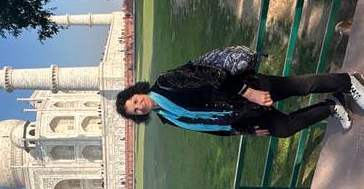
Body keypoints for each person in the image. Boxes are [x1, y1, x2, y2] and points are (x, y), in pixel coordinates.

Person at [116, 47, 364, 137]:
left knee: (299, 86)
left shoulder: (166, 82)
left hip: (247, 90)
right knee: (285, 128)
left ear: (139, 91)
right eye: (136, 110)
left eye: (136, 100)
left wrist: (249, 93)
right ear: (139, 115)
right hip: (243, 114)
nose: (140, 106)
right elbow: (208, 128)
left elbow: (209, 75)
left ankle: (349, 81)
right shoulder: (167, 118)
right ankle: (331, 107)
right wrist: (244, 130)